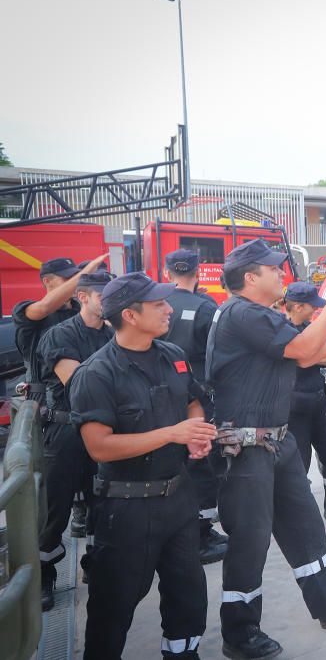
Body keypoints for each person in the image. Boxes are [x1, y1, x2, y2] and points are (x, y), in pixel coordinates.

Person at [206, 239, 326, 659]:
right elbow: (307, 350)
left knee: (305, 528)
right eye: (274, 269)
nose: (282, 274)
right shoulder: (243, 312)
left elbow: (307, 356)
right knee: (250, 543)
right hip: (246, 447)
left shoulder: (259, 315)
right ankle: (240, 634)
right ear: (251, 277)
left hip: (275, 441)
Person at [70, 272, 213, 659]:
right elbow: (99, 446)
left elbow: (191, 402)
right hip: (127, 509)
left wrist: (196, 434)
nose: (169, 309)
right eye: (158, 305)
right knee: (114, 602)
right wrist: (172, 434)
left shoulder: (174, 356)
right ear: (130, 316)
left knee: (187, 592)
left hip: (178, 498)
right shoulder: (96, 374)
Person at [34, 272, 113, 611]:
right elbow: (78, 383)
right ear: (83, 296)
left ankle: (94, 565)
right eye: (103, 296)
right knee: (56, 510)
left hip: (104, 429)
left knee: (103, 503)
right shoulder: (60, 335)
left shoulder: (112, 334)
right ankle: (44, 574)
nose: (109, 302)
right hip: (66, 433)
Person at [159, 248, 228, 565]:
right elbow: (217, 352)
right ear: (199, 272)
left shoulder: (156, 304)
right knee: (201, 462)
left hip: (161, 395)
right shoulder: (206, 307)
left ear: (166, 273)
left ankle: (176, 528)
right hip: (197, 394)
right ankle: (200, 535)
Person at [283, 282, 326, 521]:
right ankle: (297, 516)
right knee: (298, 464)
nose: (315, 310)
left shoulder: (309, 327)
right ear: (297, 306)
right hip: (293, 408)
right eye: (311, 306)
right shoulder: (283, 331)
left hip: (318, 403)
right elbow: (309, 356)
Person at [13, 255, 109, 403]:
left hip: (84, 392)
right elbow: (44, 307)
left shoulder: (81, 311)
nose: (75, 281)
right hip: (45, 402)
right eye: (68, 278)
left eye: (76, 276)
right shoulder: (27, 310)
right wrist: (86, 272)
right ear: (47, 281)